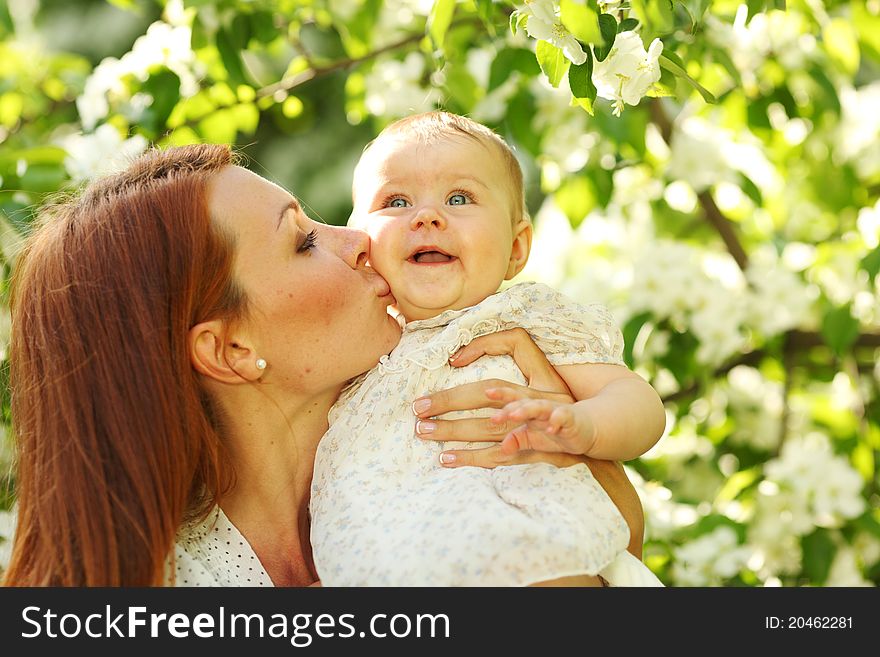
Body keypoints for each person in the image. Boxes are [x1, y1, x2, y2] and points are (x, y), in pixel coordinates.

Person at [2, 143, 645, 587]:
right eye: (305, 241)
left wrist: (582, 462)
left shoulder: (459, 406)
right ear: (230, 351)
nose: (360, 240)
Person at [310, 112, 666, 586]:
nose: (427, 216)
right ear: (360, 243)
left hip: (531, 548)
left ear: (516, 249)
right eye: (396, 200)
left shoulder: (526, 316)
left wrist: (587, 428)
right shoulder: (356, 349)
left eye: (460, 198)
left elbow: (636, 402)